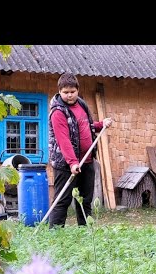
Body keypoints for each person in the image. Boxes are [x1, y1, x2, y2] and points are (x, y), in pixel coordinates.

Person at [48, 73, 113, 227]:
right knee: (62, 200)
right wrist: (72, 163)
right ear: (59, 91)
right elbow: (63, 139)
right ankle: (54, 234)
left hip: (87, 160)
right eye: (65, 92)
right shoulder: (58, 112)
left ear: (77, 90)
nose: (69, 95)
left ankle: (85, 232)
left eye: (72, 92)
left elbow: (84, 126)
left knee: (85, 199)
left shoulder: (81, 104)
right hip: (66, 164)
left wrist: (100, 124)